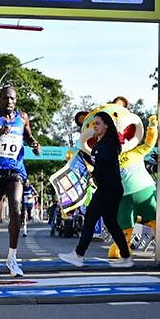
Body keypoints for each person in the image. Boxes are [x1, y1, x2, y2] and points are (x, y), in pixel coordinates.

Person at [0, 85, 41, 281]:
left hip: (16, 170)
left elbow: (28, 137)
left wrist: (35, 145)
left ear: (16, 100)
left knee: (16, 209)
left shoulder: (23, 118)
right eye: (5, 98)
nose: (9, 102)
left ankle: (12, 258)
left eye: (12, 98)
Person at [58, 112, 133, 267]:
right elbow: (97, 161)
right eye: (93, 124)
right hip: (109, 188)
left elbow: (103, 165)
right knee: (111, 223)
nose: (94, 126)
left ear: (107, 125)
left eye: (98, 123)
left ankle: (79, 254)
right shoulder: (100, 143)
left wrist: (91, 170)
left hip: (109, 188)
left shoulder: (110, 143)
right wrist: (82, 158)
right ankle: (126, 257)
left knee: (91, 218)